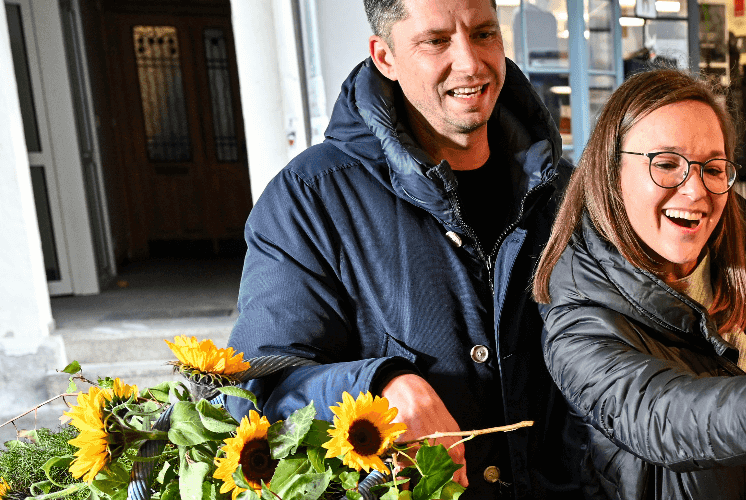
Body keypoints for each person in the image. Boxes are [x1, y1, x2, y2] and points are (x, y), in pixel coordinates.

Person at [225, 0, 578, 496]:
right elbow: (255, 389)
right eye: (436, 41)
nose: (471, 62)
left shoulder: (565, 191)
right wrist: (379, 386)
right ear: (384, 57)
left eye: (483, 34)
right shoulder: (312, 197)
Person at [531, 70, 746, 499]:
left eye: (712, 168)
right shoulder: (579, 322)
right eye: (666, 164)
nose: (695, 190)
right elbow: (666, 415)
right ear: (611, 170)